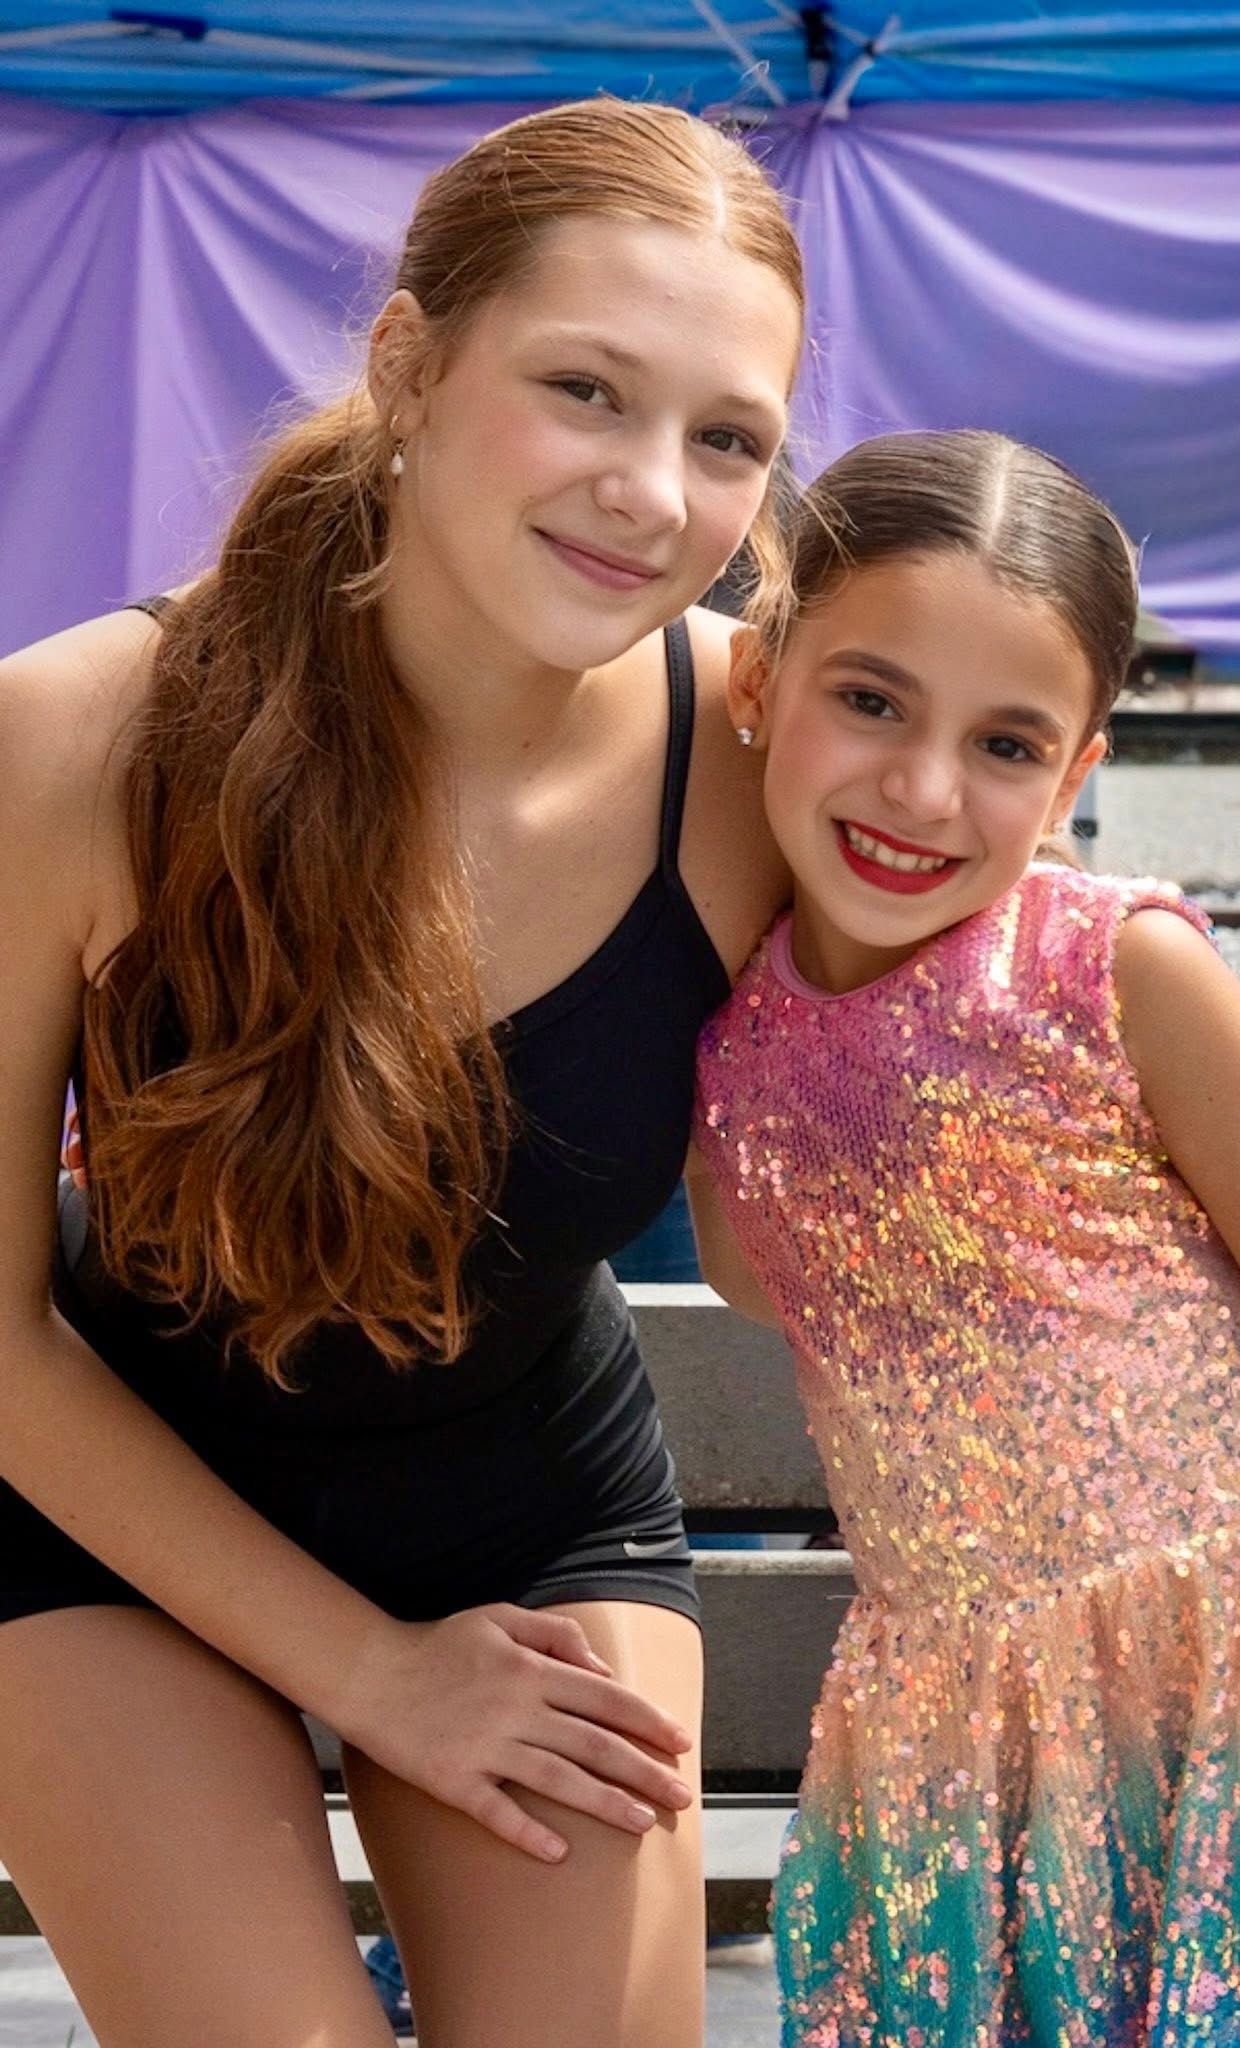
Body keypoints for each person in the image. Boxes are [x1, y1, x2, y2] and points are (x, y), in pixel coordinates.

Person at [0, 98, 803, 2048]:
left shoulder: (756, 753)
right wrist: (377, 1675)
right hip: (106, 1500)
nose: (646, 490)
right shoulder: (78, 740)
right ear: (409, 365)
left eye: (724, 439)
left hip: (525, 1511)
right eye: (584, 391)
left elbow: (1032, 1063)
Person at [688, 429, 1240, 2043]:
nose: (923, 791)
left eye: (1007, 744)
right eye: (870, 700)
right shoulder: (715, 1038)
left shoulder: (1116, 973)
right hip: (949, 1764)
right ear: (757, 684)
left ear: (1075, 775)